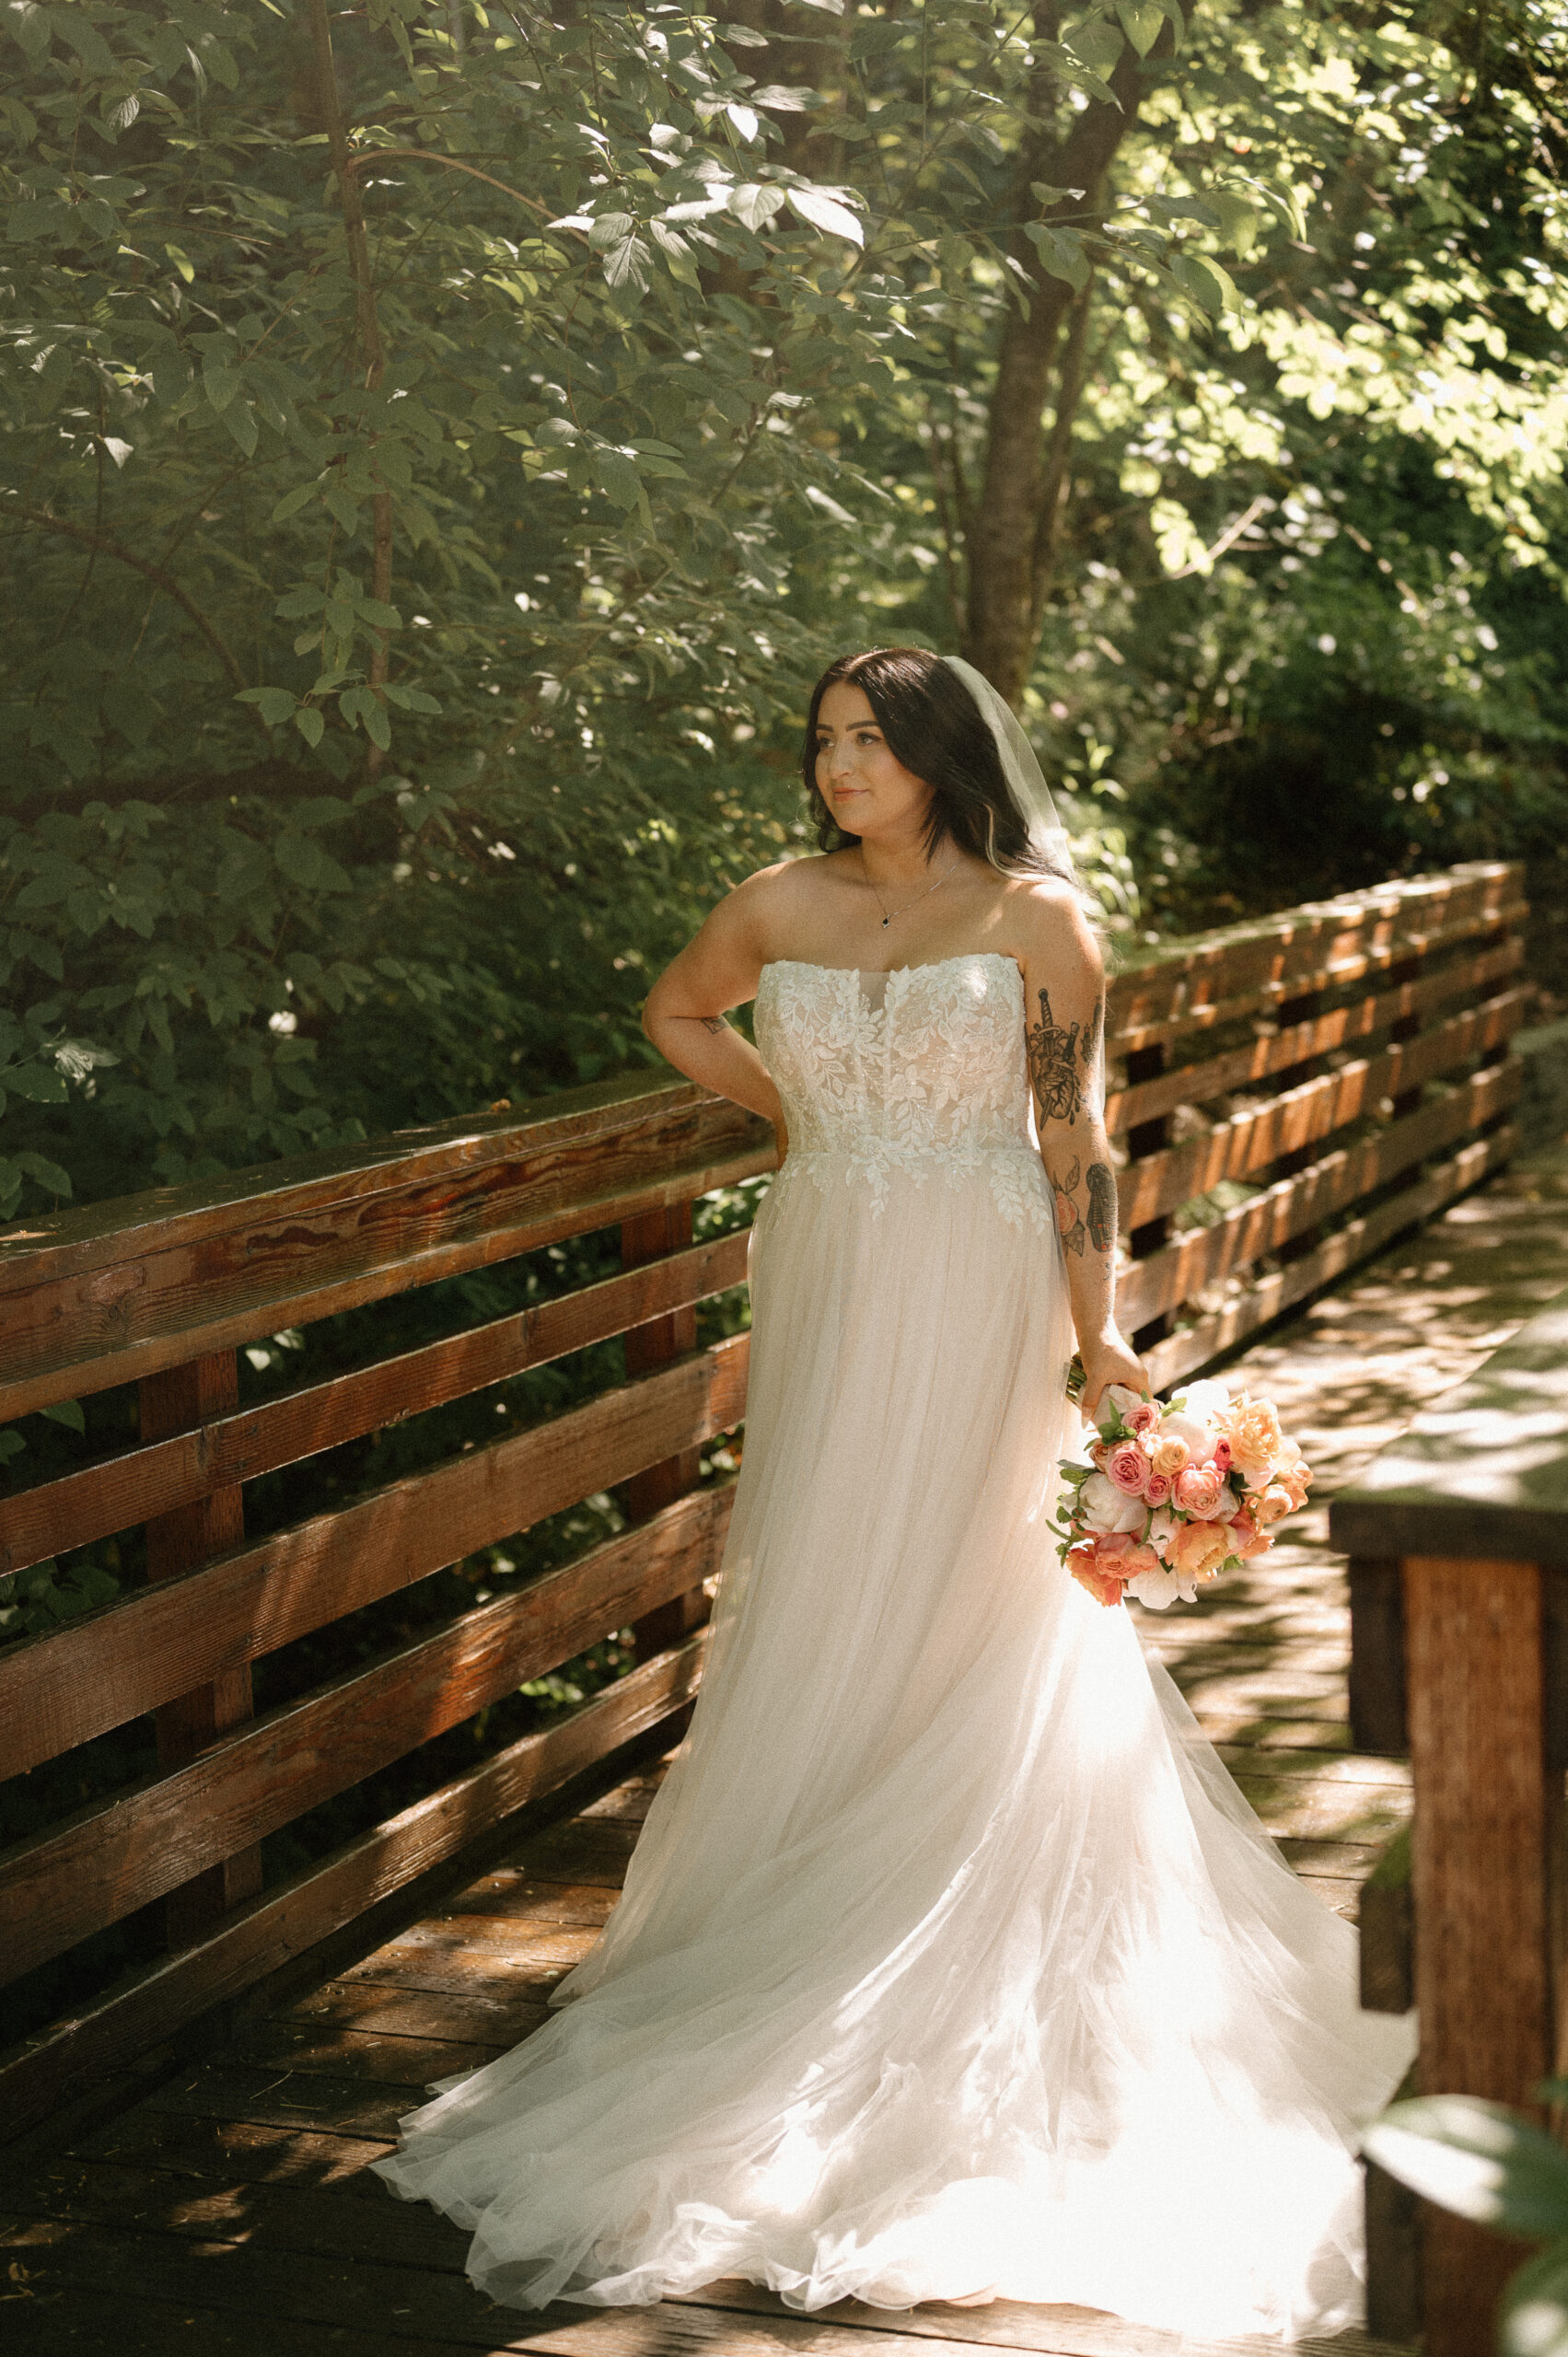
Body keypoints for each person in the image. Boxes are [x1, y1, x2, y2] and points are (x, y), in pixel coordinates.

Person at [373, 647, 1415, 2339]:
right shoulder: (773, 899)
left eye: (869, 742)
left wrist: (1104, 1336)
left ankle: (970, 1884)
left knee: (974, 1574)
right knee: (825, 1561)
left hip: (986, 1268)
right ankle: (801, 1888)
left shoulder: (1039, 919)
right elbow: (671, 1012)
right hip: (837, 1255)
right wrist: (798, 1118)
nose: (839, 767)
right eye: (824, 743)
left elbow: (1076, 1132)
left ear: (941, 756)